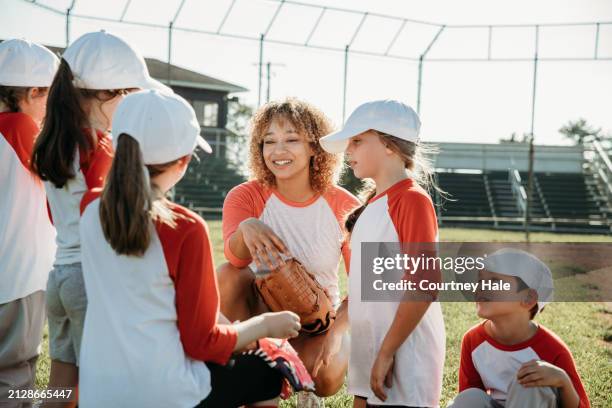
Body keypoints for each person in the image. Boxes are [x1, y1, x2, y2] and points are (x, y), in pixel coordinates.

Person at [78, 89, 301, 408]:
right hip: (166, 395)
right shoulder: (184, 227)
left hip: (98, 392)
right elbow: (203, 343)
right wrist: (266, 326)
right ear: (183, 161)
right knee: (266, 371)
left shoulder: (88, 207)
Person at [30, 31, 169, 407]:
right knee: (99, 388)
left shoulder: (53, 141)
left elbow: (56, 213)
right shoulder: (103, 146)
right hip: (91, 279)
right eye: (129, 94)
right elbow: (101, 213)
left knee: (61, 387)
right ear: (109, 94)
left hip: (59, 278)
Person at [218, 98, 359, 406]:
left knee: (320, 379)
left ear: (314, 147)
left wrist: (337, 332)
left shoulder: (344, 204)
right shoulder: (246, 196)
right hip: (260, 316)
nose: (278, 151)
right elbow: (236, 259)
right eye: (269, 142)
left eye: (292, 139)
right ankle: (249, 366)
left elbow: (364, 285)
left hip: (314, 322)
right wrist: (248, 228)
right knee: (228, 274)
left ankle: (295, 374)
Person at [319, 100, 446, 407]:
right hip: (371, 345)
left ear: (389, 144)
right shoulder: (373, 205)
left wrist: (388, 351)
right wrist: (337, 329)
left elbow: (424, 284)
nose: (348, 152)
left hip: (404, 349)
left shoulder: (412, 200)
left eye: (357, 141)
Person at [447, 248, 590, 408]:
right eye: (480, 279)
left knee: (531, 385)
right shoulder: (472, 340)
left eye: (494, 281)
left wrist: (563, 380)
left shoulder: (553, 349)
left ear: (528, 298)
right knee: (469, 397)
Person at [0, 38, 58, 408]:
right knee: (14, 369)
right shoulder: (19, 125)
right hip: (16, 278)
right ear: (33, 92)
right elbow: (58, 175)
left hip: (11, 275)